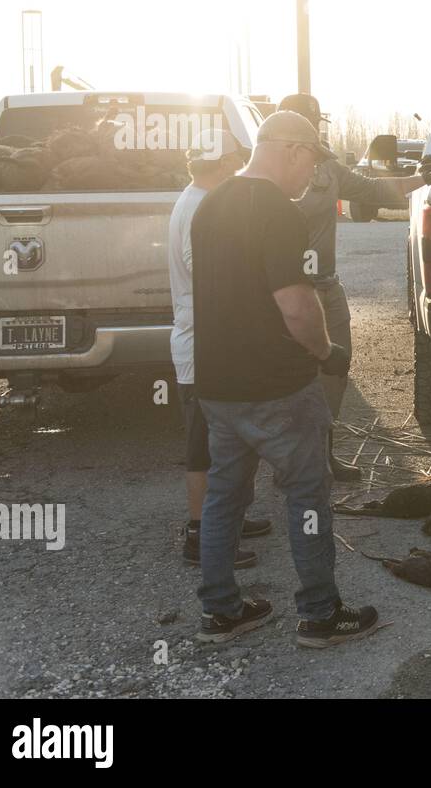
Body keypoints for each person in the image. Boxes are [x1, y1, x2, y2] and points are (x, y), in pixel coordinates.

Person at [191, 110, 377, 647]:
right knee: (307, 496)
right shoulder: (276, 209)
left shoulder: (213, 202)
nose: (313, 175)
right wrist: (327, 351)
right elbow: (295, 307)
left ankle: (221, 612)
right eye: (313, 161)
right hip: (277, 387)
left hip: (217, 387)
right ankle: (321, 614)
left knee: (225, 496)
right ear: (291, 149)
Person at [277, 94, 431, 481]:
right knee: (286, 377)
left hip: (325, 287)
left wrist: (424, 177)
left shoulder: (328, 168)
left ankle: (323, 452)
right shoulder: (263, 177)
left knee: (334, 367)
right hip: (281, 289)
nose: (318, 132)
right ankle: (288, 460)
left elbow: (373, 190)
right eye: (312, 126)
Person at [166, 128, 266, 567]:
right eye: (236, 161)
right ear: (224, 164)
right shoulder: (199, 206)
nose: (240, 168)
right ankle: (201, 539)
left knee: (225, 441)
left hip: (208, 341)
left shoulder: (197, 199)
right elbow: (205, 271)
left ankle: (227, 519)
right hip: (201, 345)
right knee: (203, 445)